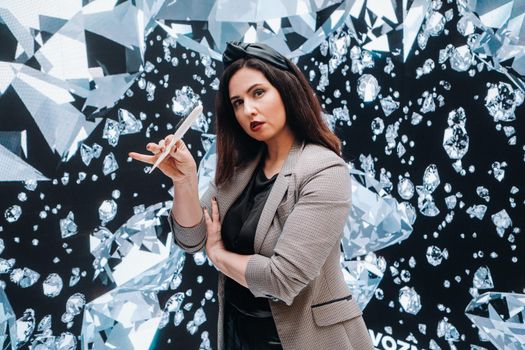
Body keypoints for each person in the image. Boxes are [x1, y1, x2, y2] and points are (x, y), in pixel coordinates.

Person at [130, 42, 373, 350]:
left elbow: (282, 280)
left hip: (306, 339)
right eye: (237, 102)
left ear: (286, 89)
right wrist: (185, 180)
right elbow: (191, 239)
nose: (248, 110)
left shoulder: (324, 170)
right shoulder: (241, 170)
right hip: (239, 334)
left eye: (258, 93)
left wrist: (218, 256)